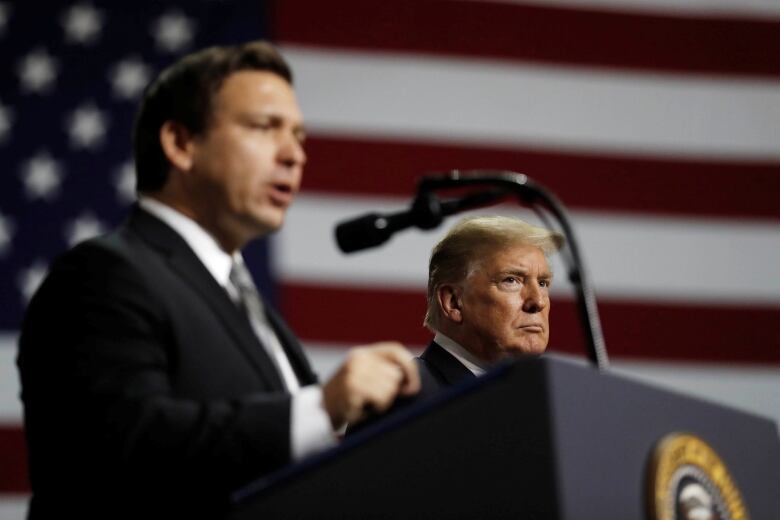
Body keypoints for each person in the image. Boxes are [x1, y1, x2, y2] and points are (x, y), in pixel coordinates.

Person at [16, 41, 419, 518]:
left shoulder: (244, 300)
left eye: (300, 136)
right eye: (265, 127)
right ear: (182, 144)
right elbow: (122, 444)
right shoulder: (101, 275)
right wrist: (322, 408)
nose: (295, 155)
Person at [350, 215, 563, 432]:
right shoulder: (401, 399)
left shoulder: (545, 404)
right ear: (453, 302)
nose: (538, 301)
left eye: (543, 283)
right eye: (511, 280)